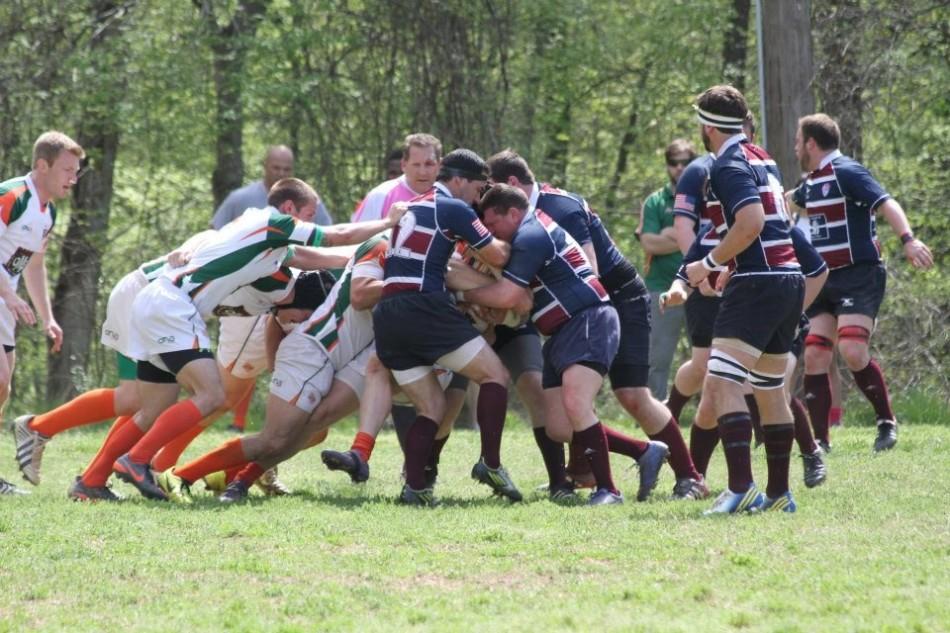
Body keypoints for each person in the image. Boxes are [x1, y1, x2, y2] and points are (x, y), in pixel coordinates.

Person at [104, 178, 401, 500]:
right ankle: (143, 462)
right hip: (172, 304)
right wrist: (388, 222)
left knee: (152, 405)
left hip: (164, 302)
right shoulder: (273, 223)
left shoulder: (260, 234)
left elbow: (310, 256)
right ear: (289, 209)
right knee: (213, 397)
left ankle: (94, 479)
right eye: (309, 215)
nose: (310, 223)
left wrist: (359, 260)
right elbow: (336, 236)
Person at [486, 150, 697, 501]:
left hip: (616, 299)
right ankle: (589, 470)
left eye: (491, 189)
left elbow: (589, 271)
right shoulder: (519, 216)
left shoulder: (559, 208)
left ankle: (688, 475)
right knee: (565, 411)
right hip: (580, 311)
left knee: (631, 395)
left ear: (510, 185)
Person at [462, 184, 625, 505]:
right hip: (561, 331)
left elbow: (509, 295)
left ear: (513, 213)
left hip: (587, 319)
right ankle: (643, 451)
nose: (492, 235)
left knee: (577, 404)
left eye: (493, 225)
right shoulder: (526, 232)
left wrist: (462, 294)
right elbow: (516, 304)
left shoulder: (531, 234)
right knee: (559, 427)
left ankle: (609, 489)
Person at [684, 85, 804, 514]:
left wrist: (710, 263)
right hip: (788, 278)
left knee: (719, 384)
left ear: (709, 128)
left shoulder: (725, 166)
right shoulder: (761, 157)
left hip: (758, 282)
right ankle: (778, 495)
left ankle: (740, 488)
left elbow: (751, 222)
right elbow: (778, 221)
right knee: (771, 389)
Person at [373, 149, 515, 507]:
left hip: (388, 313)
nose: (480, 198)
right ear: (459, 180)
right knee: (495, 375)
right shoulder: (452, 207)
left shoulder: (415, 205)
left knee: (432, 407)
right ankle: (491, 464)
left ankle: (415, 489)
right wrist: (517, 239)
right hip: (423, 307)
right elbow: (496, 255)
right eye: (479, 188)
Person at [789, 113, 933, 452]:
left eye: (798, 141)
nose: (796, 147)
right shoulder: (812, 182)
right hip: (823, 278)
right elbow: (786, 202)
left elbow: (887, 203)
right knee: (814, 355)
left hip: (859, 274)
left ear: (811, 143)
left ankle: (886, 421)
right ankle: (820, 441)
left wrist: (908, 239)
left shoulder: (847, 172)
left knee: (852, 350)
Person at [1, 131, 83, 496]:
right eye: (67, 169)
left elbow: (33, 264)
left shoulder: (48, 211)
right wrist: (8, 294)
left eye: (76, 171)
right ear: (42, 166)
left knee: (3, 389)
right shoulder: (12, 196)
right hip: (4, 299)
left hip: (6, 304)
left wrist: (46, 314)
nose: (73, 178)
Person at [638, 139, 695, 400]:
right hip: (661, 287)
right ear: (667, 166)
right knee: (657, 358)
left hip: (700, 286)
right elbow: (648, 242)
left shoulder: (705, 197)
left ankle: (713, 414)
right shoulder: (655, 202)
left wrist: (670, 234)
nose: (680, 168)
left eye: (686, 162)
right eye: (674, 163)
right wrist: (686, 239)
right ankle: (655, 413)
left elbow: (710, 237)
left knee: (708, 356)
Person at [210, 145, 332, 229]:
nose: (281, 173)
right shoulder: (240, 199)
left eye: (286, 169)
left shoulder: (308, 201)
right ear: (265, 166)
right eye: (276, 168)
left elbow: (327, 234)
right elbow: (214, 231)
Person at [350, 133, 442, 222]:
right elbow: (356, 236)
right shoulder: (380, 196)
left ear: (439, 165)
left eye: (429, 164)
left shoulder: (450, 196)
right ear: (404, 165)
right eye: (416, 165)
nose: (422, 172)